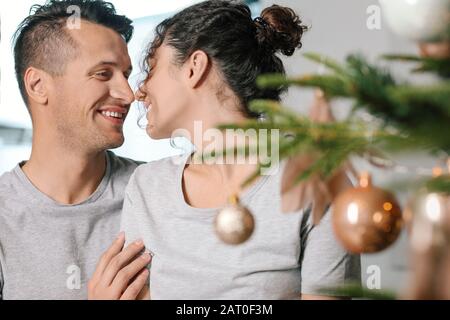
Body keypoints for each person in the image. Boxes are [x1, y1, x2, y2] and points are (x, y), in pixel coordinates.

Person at [120, 0, 361, 300]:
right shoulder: (145, 187)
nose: (137, 91)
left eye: (151, 68)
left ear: (194, 67)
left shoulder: (316, 178)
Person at [0, 0, 151, 300]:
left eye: (125, 73)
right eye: (103, 74)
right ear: (38, 85)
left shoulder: (155, 191)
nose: (128, 94)